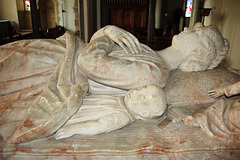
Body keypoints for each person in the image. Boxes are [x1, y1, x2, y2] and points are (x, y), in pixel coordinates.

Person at [0, 23, 229, 143]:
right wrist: (106, 34)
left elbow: (88, 61)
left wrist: (108, 33)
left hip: (59, 69)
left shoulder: (154, 73)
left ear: (197, 53)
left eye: (196, 34)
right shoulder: (153, 56)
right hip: (63, 59)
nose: (188, 28)